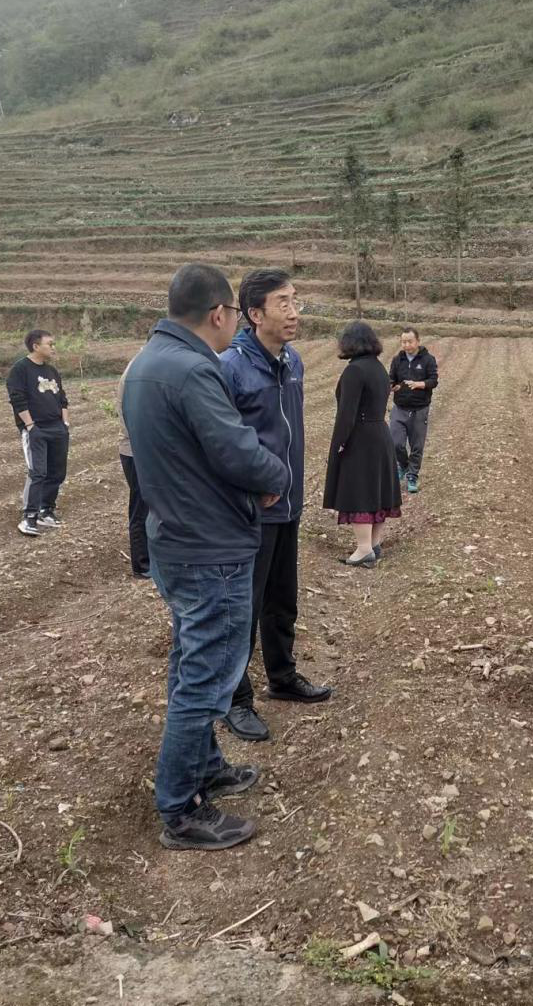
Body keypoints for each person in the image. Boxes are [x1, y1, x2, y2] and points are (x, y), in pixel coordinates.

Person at [121, 263, 289, 851]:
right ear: (219, 314)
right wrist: (276, 475)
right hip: (210, 545)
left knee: (191, 659)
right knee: (206, 676)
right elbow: (236, 450)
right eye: (232, 316)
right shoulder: (193, 369)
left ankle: (207, 765)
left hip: (176, 537)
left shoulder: (146, 363)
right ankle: (181, 806)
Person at [217, 269, 332, 743]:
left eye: (295, 300)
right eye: (283, 302)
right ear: (255, 313)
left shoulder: (293, 360)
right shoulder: (230, 367)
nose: (294, 311)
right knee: (243, 607)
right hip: (251, 511)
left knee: (282, 599)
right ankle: (234, 698)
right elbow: (222, 444)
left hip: (288, 505)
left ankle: (282, 677)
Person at [323, 320, 403, 567]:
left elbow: (347, 415)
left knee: (360, 491)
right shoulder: (378, 368)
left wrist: (339, 444)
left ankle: (364, 548)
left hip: (361, 439)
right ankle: (374, 544)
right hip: (380, 434)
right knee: (376, 491)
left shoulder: (354, 371)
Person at [7, 329, 69, 537]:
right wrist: (30, 426)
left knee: (57, 472)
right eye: (50, 344)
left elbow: (62, 399)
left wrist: (65, 423)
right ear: (36, 346)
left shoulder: (52, 371)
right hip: (37, 428)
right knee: (38, 472)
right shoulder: (20, 370)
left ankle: (46, 510)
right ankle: (29, 517)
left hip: (57, 427)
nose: (53, 347)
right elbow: (17, 399)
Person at [388, 327, 438, 494]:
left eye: (409, 341)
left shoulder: (428, 359)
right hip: (400, 407)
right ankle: (403, 465)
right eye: (403, 342)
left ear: (417, 341)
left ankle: (412, 476)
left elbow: (433, 380)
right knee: (396, 443)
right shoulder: (397, 360)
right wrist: (392, 386)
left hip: (419, 409)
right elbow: (391, 379)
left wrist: (419, 384)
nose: (406, 345)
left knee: (417, 445)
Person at [117, 350, 149, 579]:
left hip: (141, 449)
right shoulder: (139, 370)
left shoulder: (144, 365)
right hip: (137, 451)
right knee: (141, 508)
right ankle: (142, 564)